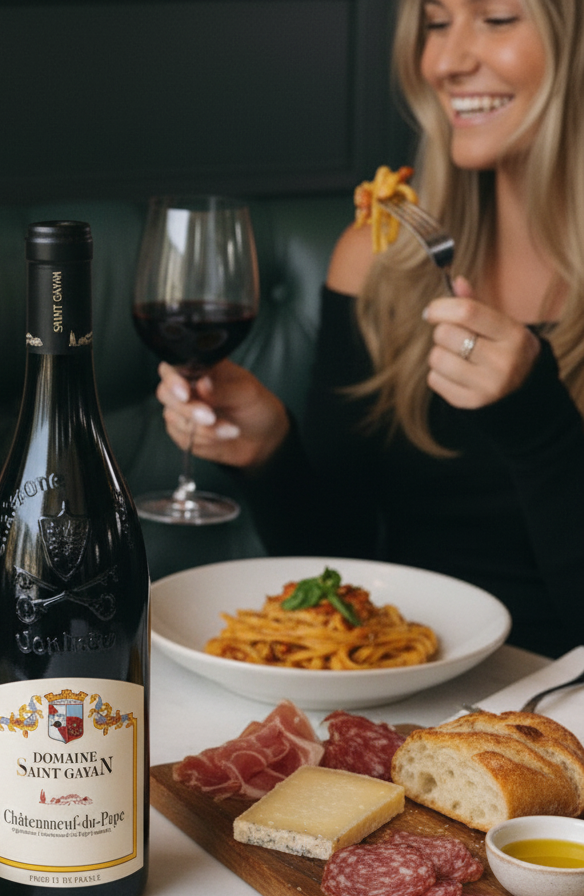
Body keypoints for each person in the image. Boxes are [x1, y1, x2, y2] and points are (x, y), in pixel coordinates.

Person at [156, 0, 584, 658]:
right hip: (401, 683)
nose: (445, 61)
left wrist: (539, 428)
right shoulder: (380, 262)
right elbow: (339, 562)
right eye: (436, 23)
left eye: (497, 18)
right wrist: (270, 454)